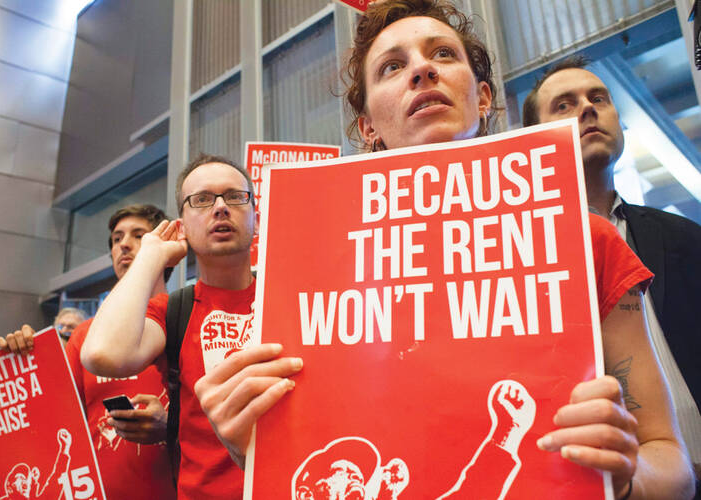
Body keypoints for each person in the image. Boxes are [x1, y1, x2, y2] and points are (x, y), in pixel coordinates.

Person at [189, 1, 696, 499]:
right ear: (368, 127)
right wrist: (251, 451)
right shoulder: (309, 268)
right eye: (392, 66)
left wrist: (627, 477)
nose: (422, 70)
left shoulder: (587, 240)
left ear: (482, 98)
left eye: (443, 55)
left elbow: (670, 462)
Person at [522, 55, 701, 483]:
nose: (587, 108)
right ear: (534, 138)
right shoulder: (524, 257)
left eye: (597, 97)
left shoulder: (686, 238)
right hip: (603, 482)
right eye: (563, 105)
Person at [81, 154, 285, 500]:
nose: (220, 207)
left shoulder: (290, 296)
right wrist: (150, 254)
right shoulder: (172, 310)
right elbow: (103, 355)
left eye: (235, 196)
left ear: (257, 219)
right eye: (202, 200)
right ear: (182, 227)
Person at [0, 204, 176, 500]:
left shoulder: (188, 321)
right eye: (117, 239)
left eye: (138, 235)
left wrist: (169, 428)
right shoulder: (85, 336)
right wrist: (25, 361)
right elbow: (57, 422)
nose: (124, 245)